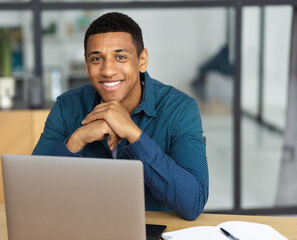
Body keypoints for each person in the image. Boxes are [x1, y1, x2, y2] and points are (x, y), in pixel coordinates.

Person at [33, 12, 208, 221]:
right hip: (83, 229)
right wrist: (77, 140)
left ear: (142, 61)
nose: (107, 70)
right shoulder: (67, 107)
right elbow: (34, 195)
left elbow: (193, 203)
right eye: (96, 59)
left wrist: (134, 135)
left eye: (121, 57)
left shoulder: (179, 109)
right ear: (87, 66)